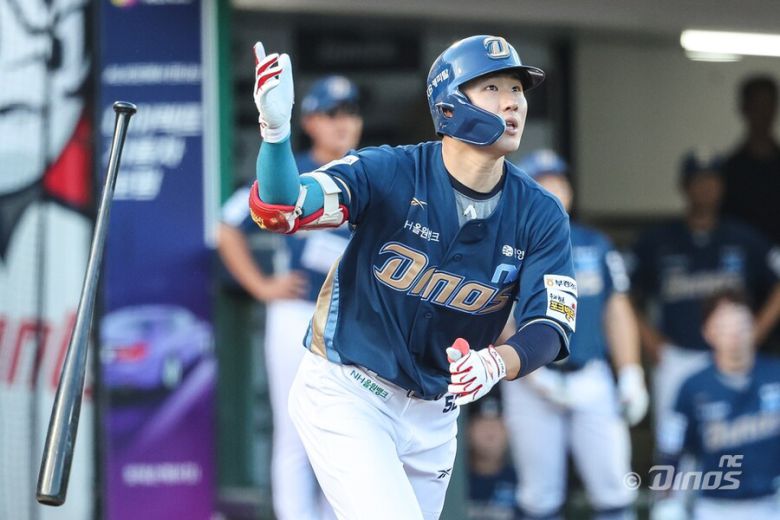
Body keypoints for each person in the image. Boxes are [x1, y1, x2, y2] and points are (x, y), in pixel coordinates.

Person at [249, 35, 578, 519]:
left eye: (516, 89)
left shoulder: (541, 212)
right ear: (449, 107)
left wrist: (496, 363)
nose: (512, 102)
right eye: (491, 88)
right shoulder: (391, 170)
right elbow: (283, 206)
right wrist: (276, 133)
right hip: (349, 390)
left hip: (436, 415)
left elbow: (552, 325)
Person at [217, 75, 363, 519]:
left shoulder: (369, 170)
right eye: (332, 115)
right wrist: (261, 286)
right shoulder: (289, 170)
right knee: (295, 430)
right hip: (298, 311)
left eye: (350, 114)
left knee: (349, 429)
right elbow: (226, 225)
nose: (343, 124)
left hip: (352, 318)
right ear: (312, 122)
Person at [500, 150, 648, 520]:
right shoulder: (506, 241)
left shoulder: (595, 243)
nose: (554, 188)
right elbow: (496, 316)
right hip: (530, 379)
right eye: (543, 182)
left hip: (589, 375)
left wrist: (631, 371)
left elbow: (617, 309)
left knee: (614, 490)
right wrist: (532, 375)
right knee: (539, 497)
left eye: (559, 181)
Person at [630, 150, 780, 456]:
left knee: (737, 444)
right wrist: (650, 339)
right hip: (677, 357)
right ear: (683, 186)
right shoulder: (658, 239)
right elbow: (621, 291)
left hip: (733, 359)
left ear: (722, 186)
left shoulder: (744, 237)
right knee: (673, 449)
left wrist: (755, 333)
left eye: (712, 179)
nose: (705, 187)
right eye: (697, 180)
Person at [651, 289, 780, 520]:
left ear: (753, 325)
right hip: (715, 507)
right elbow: (671, 450)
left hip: (771, 503)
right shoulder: (693, 387)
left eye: (740, 323)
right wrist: (666, 499)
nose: (734, 333)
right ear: (708, 332)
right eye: (724, 326)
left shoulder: (775, 375)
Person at [721, 75, 780, 246]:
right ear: (745, 109)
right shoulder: (730, 170)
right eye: (757, 106)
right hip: (743, 255)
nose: (764, 113)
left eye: (768, 105)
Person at [467, 391, 518, 520]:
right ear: (468, 430)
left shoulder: (522, 480)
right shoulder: (455, 479)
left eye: (497, 423)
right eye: (482, 423)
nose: (490, 430)